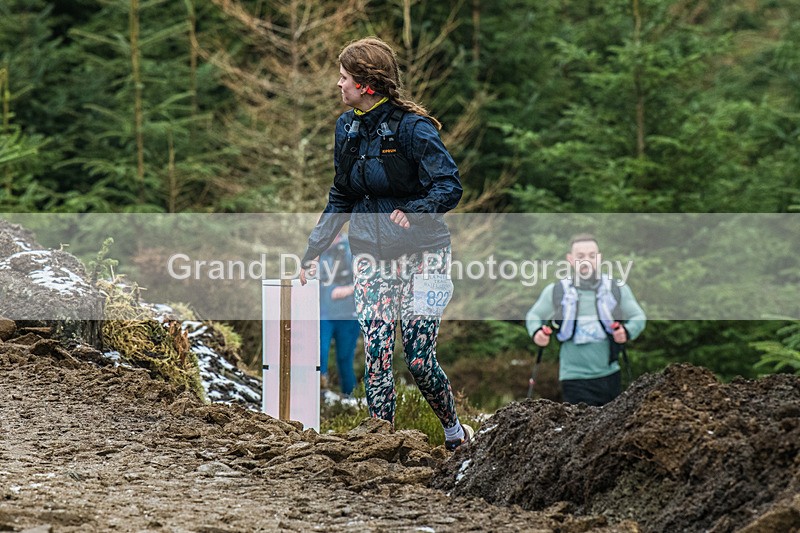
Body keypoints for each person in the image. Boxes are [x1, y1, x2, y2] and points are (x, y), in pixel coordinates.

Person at [299, 36, 473, 450]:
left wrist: (416, 209)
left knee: (416, 358)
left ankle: (454, 432)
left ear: (367, 85)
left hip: (424, 254)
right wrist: (313, 251)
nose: (337, 85)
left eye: (344, 78)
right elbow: (341, 195)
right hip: (369, 253)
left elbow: (450, 185)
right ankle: (383, 445)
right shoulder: (346, 128)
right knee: (376, 352)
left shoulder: (413, 129)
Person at [526, 234, 646, 406]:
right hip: (573, 378)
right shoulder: (557, 291)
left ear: (599, 257)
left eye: (591, 255)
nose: (586, 261)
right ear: (570, 259)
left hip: (610, 375)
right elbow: (533, 316)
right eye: (580, 256)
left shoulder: (616, 288)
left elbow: (638, 317)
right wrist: (537, 333)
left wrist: (626, 331)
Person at [318, 232, 359, 396]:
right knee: (319, 355)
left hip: (348, 315)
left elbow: (367, 277)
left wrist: (348, 289)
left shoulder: (351, 249)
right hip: (324, 313)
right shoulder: (318, 251)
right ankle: (319, 395)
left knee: (344, 360)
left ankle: (351, 399)